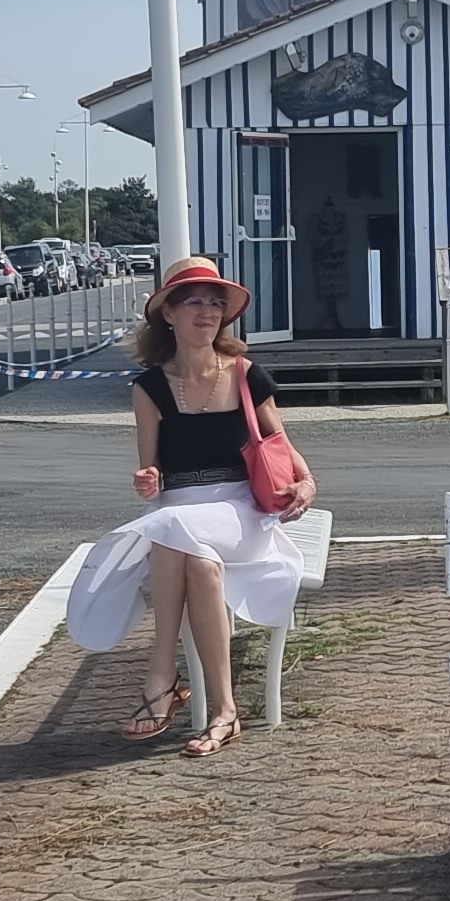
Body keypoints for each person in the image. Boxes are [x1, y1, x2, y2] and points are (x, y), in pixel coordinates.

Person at [63, 255, 316, 757]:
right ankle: (225, 711)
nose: (206, 312)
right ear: (169, 313)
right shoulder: (150, 388)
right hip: (180, 513)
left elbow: (282, 444)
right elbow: (152, 475)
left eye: (215, 303)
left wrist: (307, 482)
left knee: (168, 530)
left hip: (241, 511)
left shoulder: (245, 373)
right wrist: (147, 480)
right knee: (196, 561)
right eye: (194, 302)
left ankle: (160, 676)